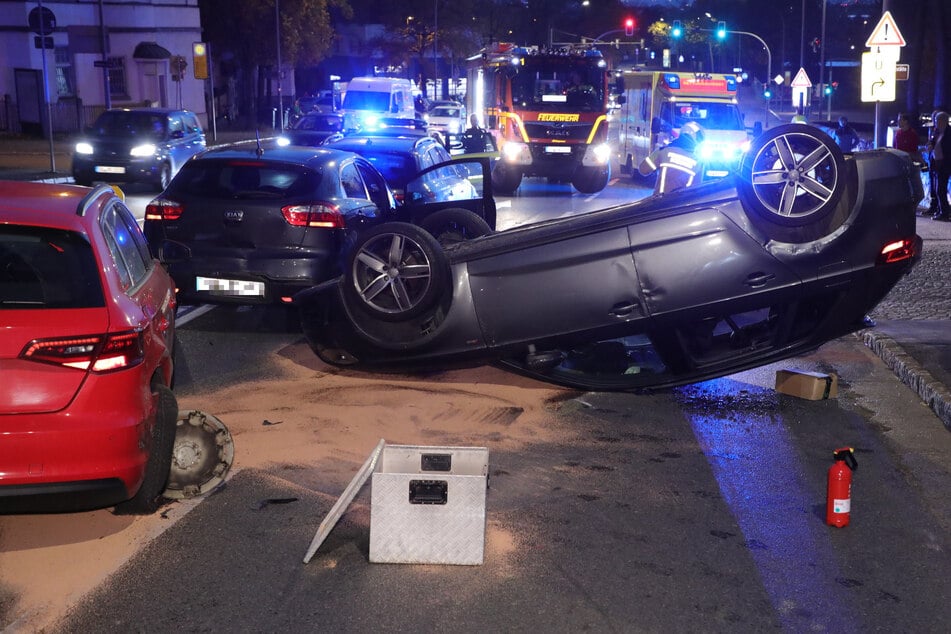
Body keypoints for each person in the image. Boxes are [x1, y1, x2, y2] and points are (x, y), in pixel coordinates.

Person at [638, 121, 704, 195]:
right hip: (681, 205)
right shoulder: (698, 162)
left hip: (659, 202)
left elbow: (643, 169)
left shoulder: (664, 151)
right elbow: (696, 190)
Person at [929, 111, 950, 221]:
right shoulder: (937, 131)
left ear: (944, 121)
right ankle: (940, 210)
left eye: (937, 120)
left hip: (945, 164)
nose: (935, 122)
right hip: (936, 163)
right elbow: (933, 142)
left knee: (940, 189)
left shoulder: (949, 133)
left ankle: (944, 213)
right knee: (937, 188)